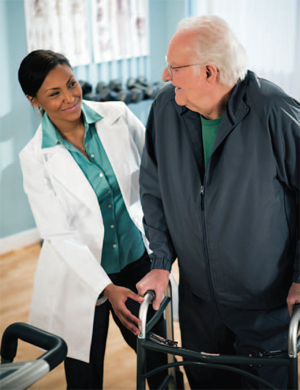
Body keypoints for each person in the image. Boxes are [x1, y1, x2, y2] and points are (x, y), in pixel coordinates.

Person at [136, 15, 300, 390]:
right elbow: (153, 189)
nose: (164, 75)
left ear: (210, 72)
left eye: (174, 67)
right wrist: (161, 262)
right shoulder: (165, 109)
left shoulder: (273, 112)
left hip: (264, 306)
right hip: (198, 304)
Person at [18, 50, 168, 390]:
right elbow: (58, 233)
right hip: (83, 279)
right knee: (84, 375)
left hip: (137, 262)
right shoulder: (34, 157)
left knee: (158, 361)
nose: (70, 98)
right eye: (54, 94)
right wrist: (107, 289)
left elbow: (155, 174)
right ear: (34, 101)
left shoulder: (116, 116)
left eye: (71, 84)